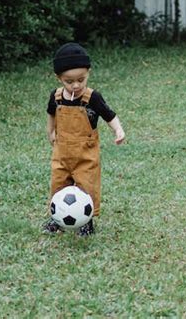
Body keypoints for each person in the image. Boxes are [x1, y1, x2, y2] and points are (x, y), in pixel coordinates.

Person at [43, 42, 125, 236]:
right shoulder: (55, 97)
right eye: (69, 81)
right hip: (61, 153)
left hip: (86, 155)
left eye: (81, 79)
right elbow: (51, 114)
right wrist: (51, 132)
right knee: (58, 184)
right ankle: (57, 218)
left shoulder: (92, 98)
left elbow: (109, 115)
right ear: (59, 78)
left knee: (87, 187)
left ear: (88, 72)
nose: (76, 85)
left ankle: (86, 221)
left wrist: (118, 130)